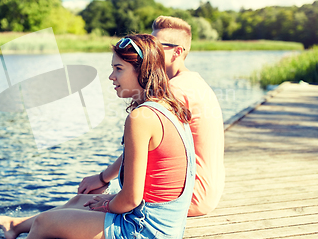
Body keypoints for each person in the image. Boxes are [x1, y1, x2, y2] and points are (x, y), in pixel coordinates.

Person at [0, 34, 196, 239]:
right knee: (79, 200)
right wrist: (106, 192)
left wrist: (108, 204)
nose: (111, 76)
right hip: (167, 228)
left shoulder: (141, 118)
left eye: (118, 68)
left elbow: (131, 199)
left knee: (46, 223)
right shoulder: (169, 105)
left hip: (144, 236)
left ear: (143, 71)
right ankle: (15, 225)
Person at [79, 16, 225, 216]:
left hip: (188, 195)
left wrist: (103, 178)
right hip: (205, 191)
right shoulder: (194, 81)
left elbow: (139, 147)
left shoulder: (175, 91)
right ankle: (26, 225)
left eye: (158, 45)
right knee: (86, 198)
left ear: (177, 52)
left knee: (90, 197)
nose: (151, 50)